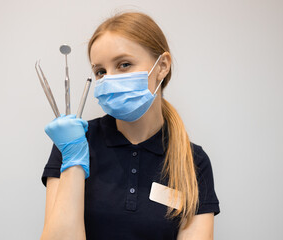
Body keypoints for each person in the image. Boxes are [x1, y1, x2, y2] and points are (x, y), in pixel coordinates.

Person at [40, 12, 220, 240]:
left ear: (162, 66)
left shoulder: (193, 162)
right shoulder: (74, 143)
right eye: (100, 72)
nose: (110, 79)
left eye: (124, 65)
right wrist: (74, 162)